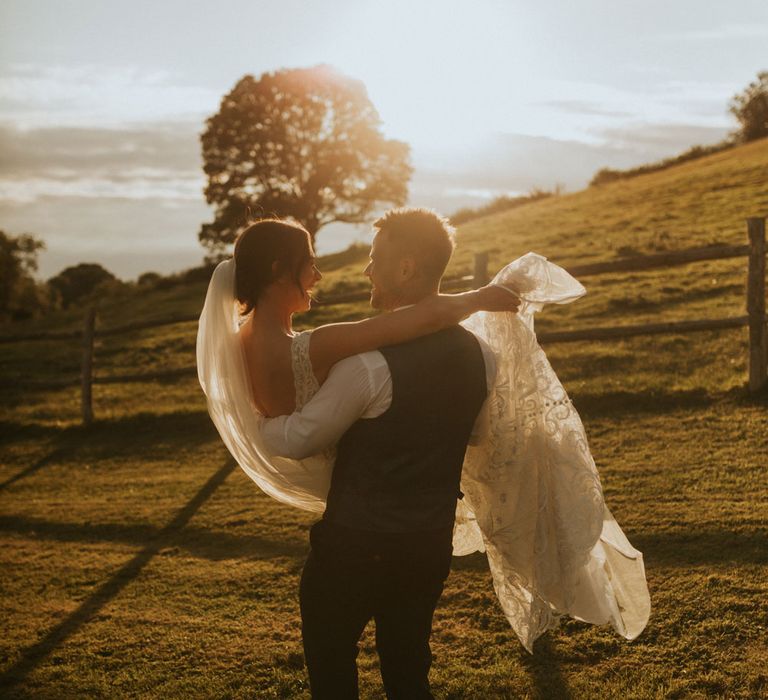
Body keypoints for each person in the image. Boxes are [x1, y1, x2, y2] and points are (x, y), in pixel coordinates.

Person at [196, 210, 650, 699]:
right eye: (310, 263)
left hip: (351, 545)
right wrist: (480, 300)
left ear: (406, 268)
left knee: (332, 676)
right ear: (277, 272)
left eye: (374, 260)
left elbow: (297, 438)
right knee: (409, 673)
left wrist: (260, 428)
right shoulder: (480, 356)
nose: (346, 272)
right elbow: (478, 434)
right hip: (427, 545)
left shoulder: (358, 367)